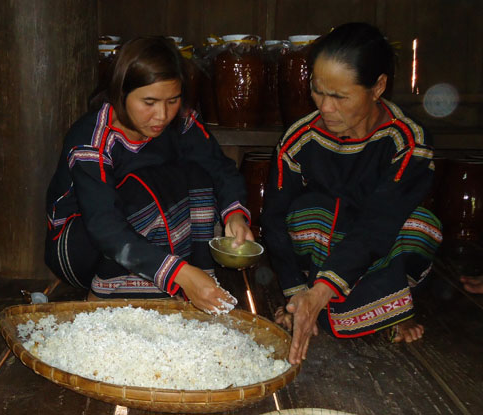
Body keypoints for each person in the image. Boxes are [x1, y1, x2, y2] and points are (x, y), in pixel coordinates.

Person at [261, 22, 443, 365]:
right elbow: (272, 218)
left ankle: (374, 306)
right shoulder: (299, 139)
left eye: (340, 96)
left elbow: (378, 224)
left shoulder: (407, 139)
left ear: (378, 87)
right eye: (317, 91)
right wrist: (296, 292)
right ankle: (358, 310)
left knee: (419, 226)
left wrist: (322, 291)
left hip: (379, 246)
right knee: (308, 213)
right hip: (319, 251)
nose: (325, 107)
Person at [44, 36, 254, 314]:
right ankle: (107, 295)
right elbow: (105, 227)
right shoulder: (92, 141)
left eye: (173, 100)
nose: (162, 115)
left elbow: (219, 167)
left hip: (143, 245)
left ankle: (194, 281)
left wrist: (235, 214)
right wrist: (180, 273)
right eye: (149, 102)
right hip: (83, 248)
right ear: (121, 93)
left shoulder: (181, 122)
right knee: (140, 188)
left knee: (198, 174)